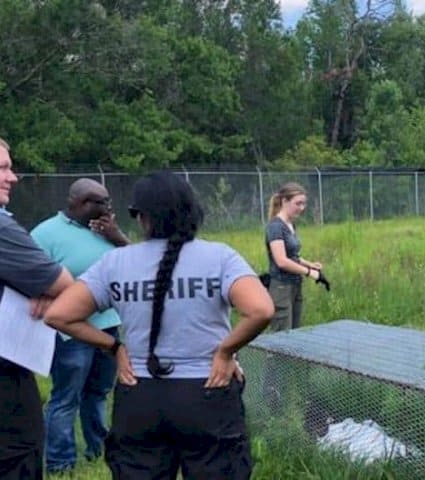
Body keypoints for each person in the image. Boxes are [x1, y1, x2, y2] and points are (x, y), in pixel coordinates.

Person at [45, 171, 273, 479]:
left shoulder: (116, 263)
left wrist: (114, 347)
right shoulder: (220, 257)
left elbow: (58, 315)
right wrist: (225, 352)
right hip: (208, 390)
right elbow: (260, 310)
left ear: (142, 218)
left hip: (139, 393)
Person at [30, 178, 129, 474]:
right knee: (66, 396)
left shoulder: (106, 230)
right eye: (103, 202)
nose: (109, 208)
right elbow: (31, 277)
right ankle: (61, 463)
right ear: (82, 203)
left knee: (98, 393)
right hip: (70, 331)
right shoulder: (45, 234)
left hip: (109, 326)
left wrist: (118, 236)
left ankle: (98, 450)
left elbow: (139, 262)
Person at [0, 138, 74, 479]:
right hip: (6, 380)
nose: (12, 177)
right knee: (20, 455)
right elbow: (65, 284)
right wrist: (47, 288)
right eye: (2, 168)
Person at [265, 182, 324, 331]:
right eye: (298, 203)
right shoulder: (275, 226)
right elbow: (282, 261)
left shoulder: (291, 224)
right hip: (281, 287)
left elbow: (292, 256)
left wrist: (309, 264)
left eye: (304, 204)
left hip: (296, 285)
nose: (302, 208)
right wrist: (309, 273)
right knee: (282, 337)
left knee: (295, 334)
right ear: (284, 201)